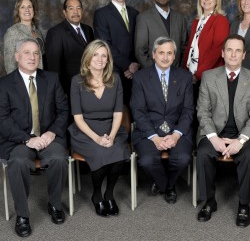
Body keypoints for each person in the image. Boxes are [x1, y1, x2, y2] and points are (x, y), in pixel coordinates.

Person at [0, 38, 69, 237]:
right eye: (27, 52)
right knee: (19, 161)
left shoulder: (52, 78)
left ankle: (55, 204)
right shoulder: (4, 84)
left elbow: (64, 110)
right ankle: (22, 215)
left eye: (36, 53)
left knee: (58, 158)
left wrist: (51, 132)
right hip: (19, 139)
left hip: (48, 136)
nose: (32, 57)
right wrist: (27, 139)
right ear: (17, 56)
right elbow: (2, 120)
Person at [196, 34, 250, 227]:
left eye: (238, 51)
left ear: (244, 55)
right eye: (229, 50)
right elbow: (203, 111)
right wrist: (214, 138)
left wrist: (240, 141)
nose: (233, 54)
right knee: (203, 153)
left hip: (243, 134)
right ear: (222, 53)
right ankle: (209, 201)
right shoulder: (209, 77)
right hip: (213, 132)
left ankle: (243, 205)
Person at [68, 39, 130, 217]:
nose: (100, 59)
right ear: (88, 58)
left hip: (112, 128)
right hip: (85, 131)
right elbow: (78, 118)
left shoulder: (115, 79)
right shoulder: (77, 81)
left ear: (108, 59)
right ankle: (97, 195)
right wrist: (97, 138)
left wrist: (110, 136)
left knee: (118, 153)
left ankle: (109, 194)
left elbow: (119, 113)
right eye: (96, 54)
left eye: (104, 55)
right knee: (100, 153)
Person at [130, 37, 193, 204]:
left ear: (174, 56)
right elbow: (138, 111)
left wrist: (176, 135)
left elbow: (188, 111)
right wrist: (155, 137)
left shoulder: (185, 77)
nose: (165, 57)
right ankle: (167, 185)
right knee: (147, 160)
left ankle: (163, 183)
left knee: (183, 158)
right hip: (149, 130)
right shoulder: (140, 78)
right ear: (153, 55)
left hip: (177, 129)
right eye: (161, 53)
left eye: (169, 53)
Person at [93, 0, 139, 104]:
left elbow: (139, 42)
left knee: (135, 109)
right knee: (118, 110)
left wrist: (135, 64)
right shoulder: (101, 14)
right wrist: (127, 65)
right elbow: (105, 45)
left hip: (135, 72)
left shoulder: (135, 13)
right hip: (114, 72)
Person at [46, 0, 95, 96]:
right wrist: (60, 94)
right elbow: (54, 68)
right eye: (71, 8)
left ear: (82, 10)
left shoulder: (88, 30)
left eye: (78, 8)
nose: (75, 12)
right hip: (70, 90)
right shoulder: (56, 33)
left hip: (91, 86)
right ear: (64, 12)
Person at [183, 0, 230, 87]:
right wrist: (184, 71)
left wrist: (199, 74)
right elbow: (190, 47)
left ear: (217, 0)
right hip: (190, 74)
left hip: (209, 76)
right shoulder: (197, 21)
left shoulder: (221, 20)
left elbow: (217, 51)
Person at [135, 0, 188, 68]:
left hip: (176, 73)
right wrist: (155, 72)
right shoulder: (143, 18)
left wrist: (180, 70)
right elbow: (140, 51)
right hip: (153, 74)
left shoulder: (180, 18)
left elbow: (185, 47)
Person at [3, 0, 45, 74]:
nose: (27, 10)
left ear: (33, 10)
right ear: (18, 11)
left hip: (39, 76)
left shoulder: (37, 32)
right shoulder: (12, 32)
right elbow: (9, 63)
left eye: (30, 7)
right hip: (22, 79)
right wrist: (17, 83)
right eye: (22, 7)